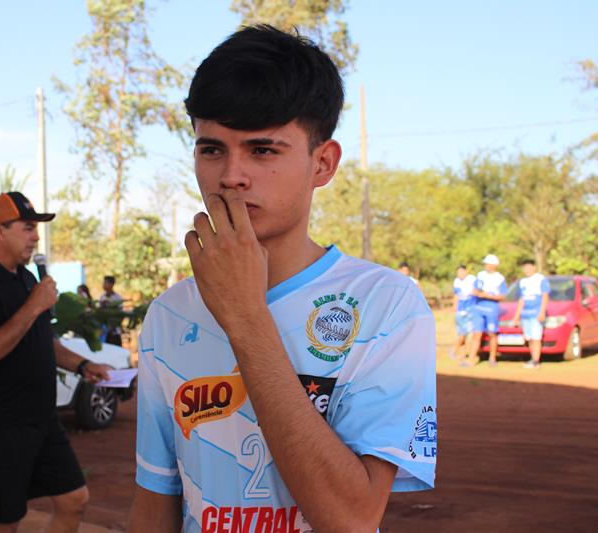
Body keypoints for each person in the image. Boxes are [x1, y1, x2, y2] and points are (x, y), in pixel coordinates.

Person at [128, 26, 437, 533]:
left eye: (263, 150)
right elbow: (155, 499)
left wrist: (246, 317)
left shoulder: (387, 306)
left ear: (323, 163)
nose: (231, 175)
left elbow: (352, 519)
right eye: (211, 150)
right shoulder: (169, 314)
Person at [0, 191, 111, 532]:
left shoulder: (26, 279)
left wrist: (83, 366)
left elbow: (42, 340)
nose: (36, 236)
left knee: (74, 500)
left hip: (40, 419)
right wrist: (34, 306)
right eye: (27, 227)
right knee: (4, 523)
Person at [464, 254, 508, 367]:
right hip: (478, 307)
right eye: (485, 264)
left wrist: (487, 296)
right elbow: (475, 290)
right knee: (476, 334)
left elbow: (503, 296)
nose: (486, 266)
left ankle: (492, 358)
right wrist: (477, 293)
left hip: (492, 308)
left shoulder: (499, 278)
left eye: (488, 264)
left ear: (494, 265)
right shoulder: (480, 275)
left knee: (492, 333)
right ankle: (471, 358)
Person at [513, 259, 550, 369]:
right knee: (529, 338)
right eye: (525, 267)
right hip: (525, 314)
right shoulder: (522, 282)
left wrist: (542, 311)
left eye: (529, 267)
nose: (527, 270)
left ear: (534, 267)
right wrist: (517, 315)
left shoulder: (540, 279)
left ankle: (536, 361)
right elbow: (521, 299)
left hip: (536, 313)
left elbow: (545, 296)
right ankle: (532, 358)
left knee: (536, 337)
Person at [451, 264, 476, 359]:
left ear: (466, 271)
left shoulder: (472, 279)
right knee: (462, 333)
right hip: (460, 311)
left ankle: (457, 351)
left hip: (470, 310)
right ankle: (459, 352)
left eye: (461, 271)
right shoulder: (456, 281)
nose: (459, 274)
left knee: (468, 333)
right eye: (458, 272)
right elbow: (456, 295)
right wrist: (455, 306)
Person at [99, 275, 123, 346]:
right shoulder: (102, 297)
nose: (103, 285)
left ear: (111, 284)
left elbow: (120, 313)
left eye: (105, 283)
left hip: (115, 331)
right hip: (104, 331)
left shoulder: (117, 298)